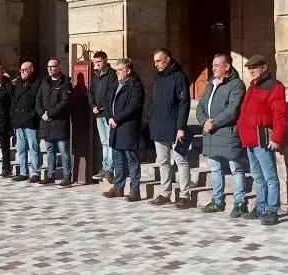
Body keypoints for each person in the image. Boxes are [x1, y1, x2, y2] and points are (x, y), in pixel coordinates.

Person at [237, 55, 288, 226]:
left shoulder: (274, 86)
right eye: (249, 69)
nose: (251, 71)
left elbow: (279, 114)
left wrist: (277, 137)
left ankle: (272, 210)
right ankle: (261, 207)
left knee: (270, 177)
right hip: (250, 138)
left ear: (264, 67)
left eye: (255, 68)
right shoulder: (252, 87)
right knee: (258, 177)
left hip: (263, 138)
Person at [196, 54, 247, 216]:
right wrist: (204, 121)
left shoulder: (236, 84)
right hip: (211, 134)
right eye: (213, 65)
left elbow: (233, 109)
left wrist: (214, 122)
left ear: (227, 67)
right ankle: (217, 200)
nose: (214, 68)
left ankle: (240, 202)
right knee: (215, 168)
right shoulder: (210, 84)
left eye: (217, 65)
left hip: (227, 133)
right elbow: (200, 107)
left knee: (236, 168)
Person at [147, 48, 192, 209]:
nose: (156, 64)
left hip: (175, 128)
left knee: (180, 160)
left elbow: (184, 103)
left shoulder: (179, 77)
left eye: (158, 61)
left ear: (167, 59)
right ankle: (165, 193)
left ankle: (185, 195)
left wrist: (180, 127)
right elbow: (153, 100)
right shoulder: (158, 77)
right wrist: (151, 118)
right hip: (159, 126)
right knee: (163, 161)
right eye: (154, 61)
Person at [102, 58, 144, 202]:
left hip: (127, 128)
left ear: (128, 71)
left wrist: (117, 118)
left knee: (132, 160)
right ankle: (118, 188)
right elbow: (107, 101)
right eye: (117, 70)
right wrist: (109, 117)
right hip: (115, 127)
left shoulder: (135, 86)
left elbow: (133, 106)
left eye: (120, 70)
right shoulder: (116, 84)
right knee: (118, 159)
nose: (117, 73)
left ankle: (135, 190)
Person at [36, 57, 73, 187]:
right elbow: (38, 100)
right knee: (50, 150)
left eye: (53, 66)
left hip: (59, 122)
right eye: (48, 67)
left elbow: (64, 102)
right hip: (46, 123)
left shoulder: (65, 83)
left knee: (63, 150)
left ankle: (67, 177)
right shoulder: (44, 83)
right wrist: (42, 114)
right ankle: (50, 176)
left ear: (59, 67)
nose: (50, 69)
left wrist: (50, 113)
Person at [10, 61, 42, 182]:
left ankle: (36, 172)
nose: (22, 72)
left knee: (33, 146)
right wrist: (14, 116)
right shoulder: (17, 84)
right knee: (21, 147)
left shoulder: (37, 83)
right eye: (21, 70)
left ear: (31, 70)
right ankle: (23, 172)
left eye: (25, 70)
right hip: (19, 120)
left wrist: (34, 114)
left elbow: (39, 101)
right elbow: (14, 101)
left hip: (31, 120)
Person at [89, 51, 117, 180]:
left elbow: (111, 93)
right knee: (104, 143)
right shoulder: (94, 75)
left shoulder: (112, 75)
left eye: (99, 62)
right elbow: (91, 92)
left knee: (110, 142)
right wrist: (93, 105)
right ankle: (105, 167)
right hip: (98, 114)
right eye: (95, 62)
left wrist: (104, 107)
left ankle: (109, 168)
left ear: (105, 60)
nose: (96, 64)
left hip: (107, 113)